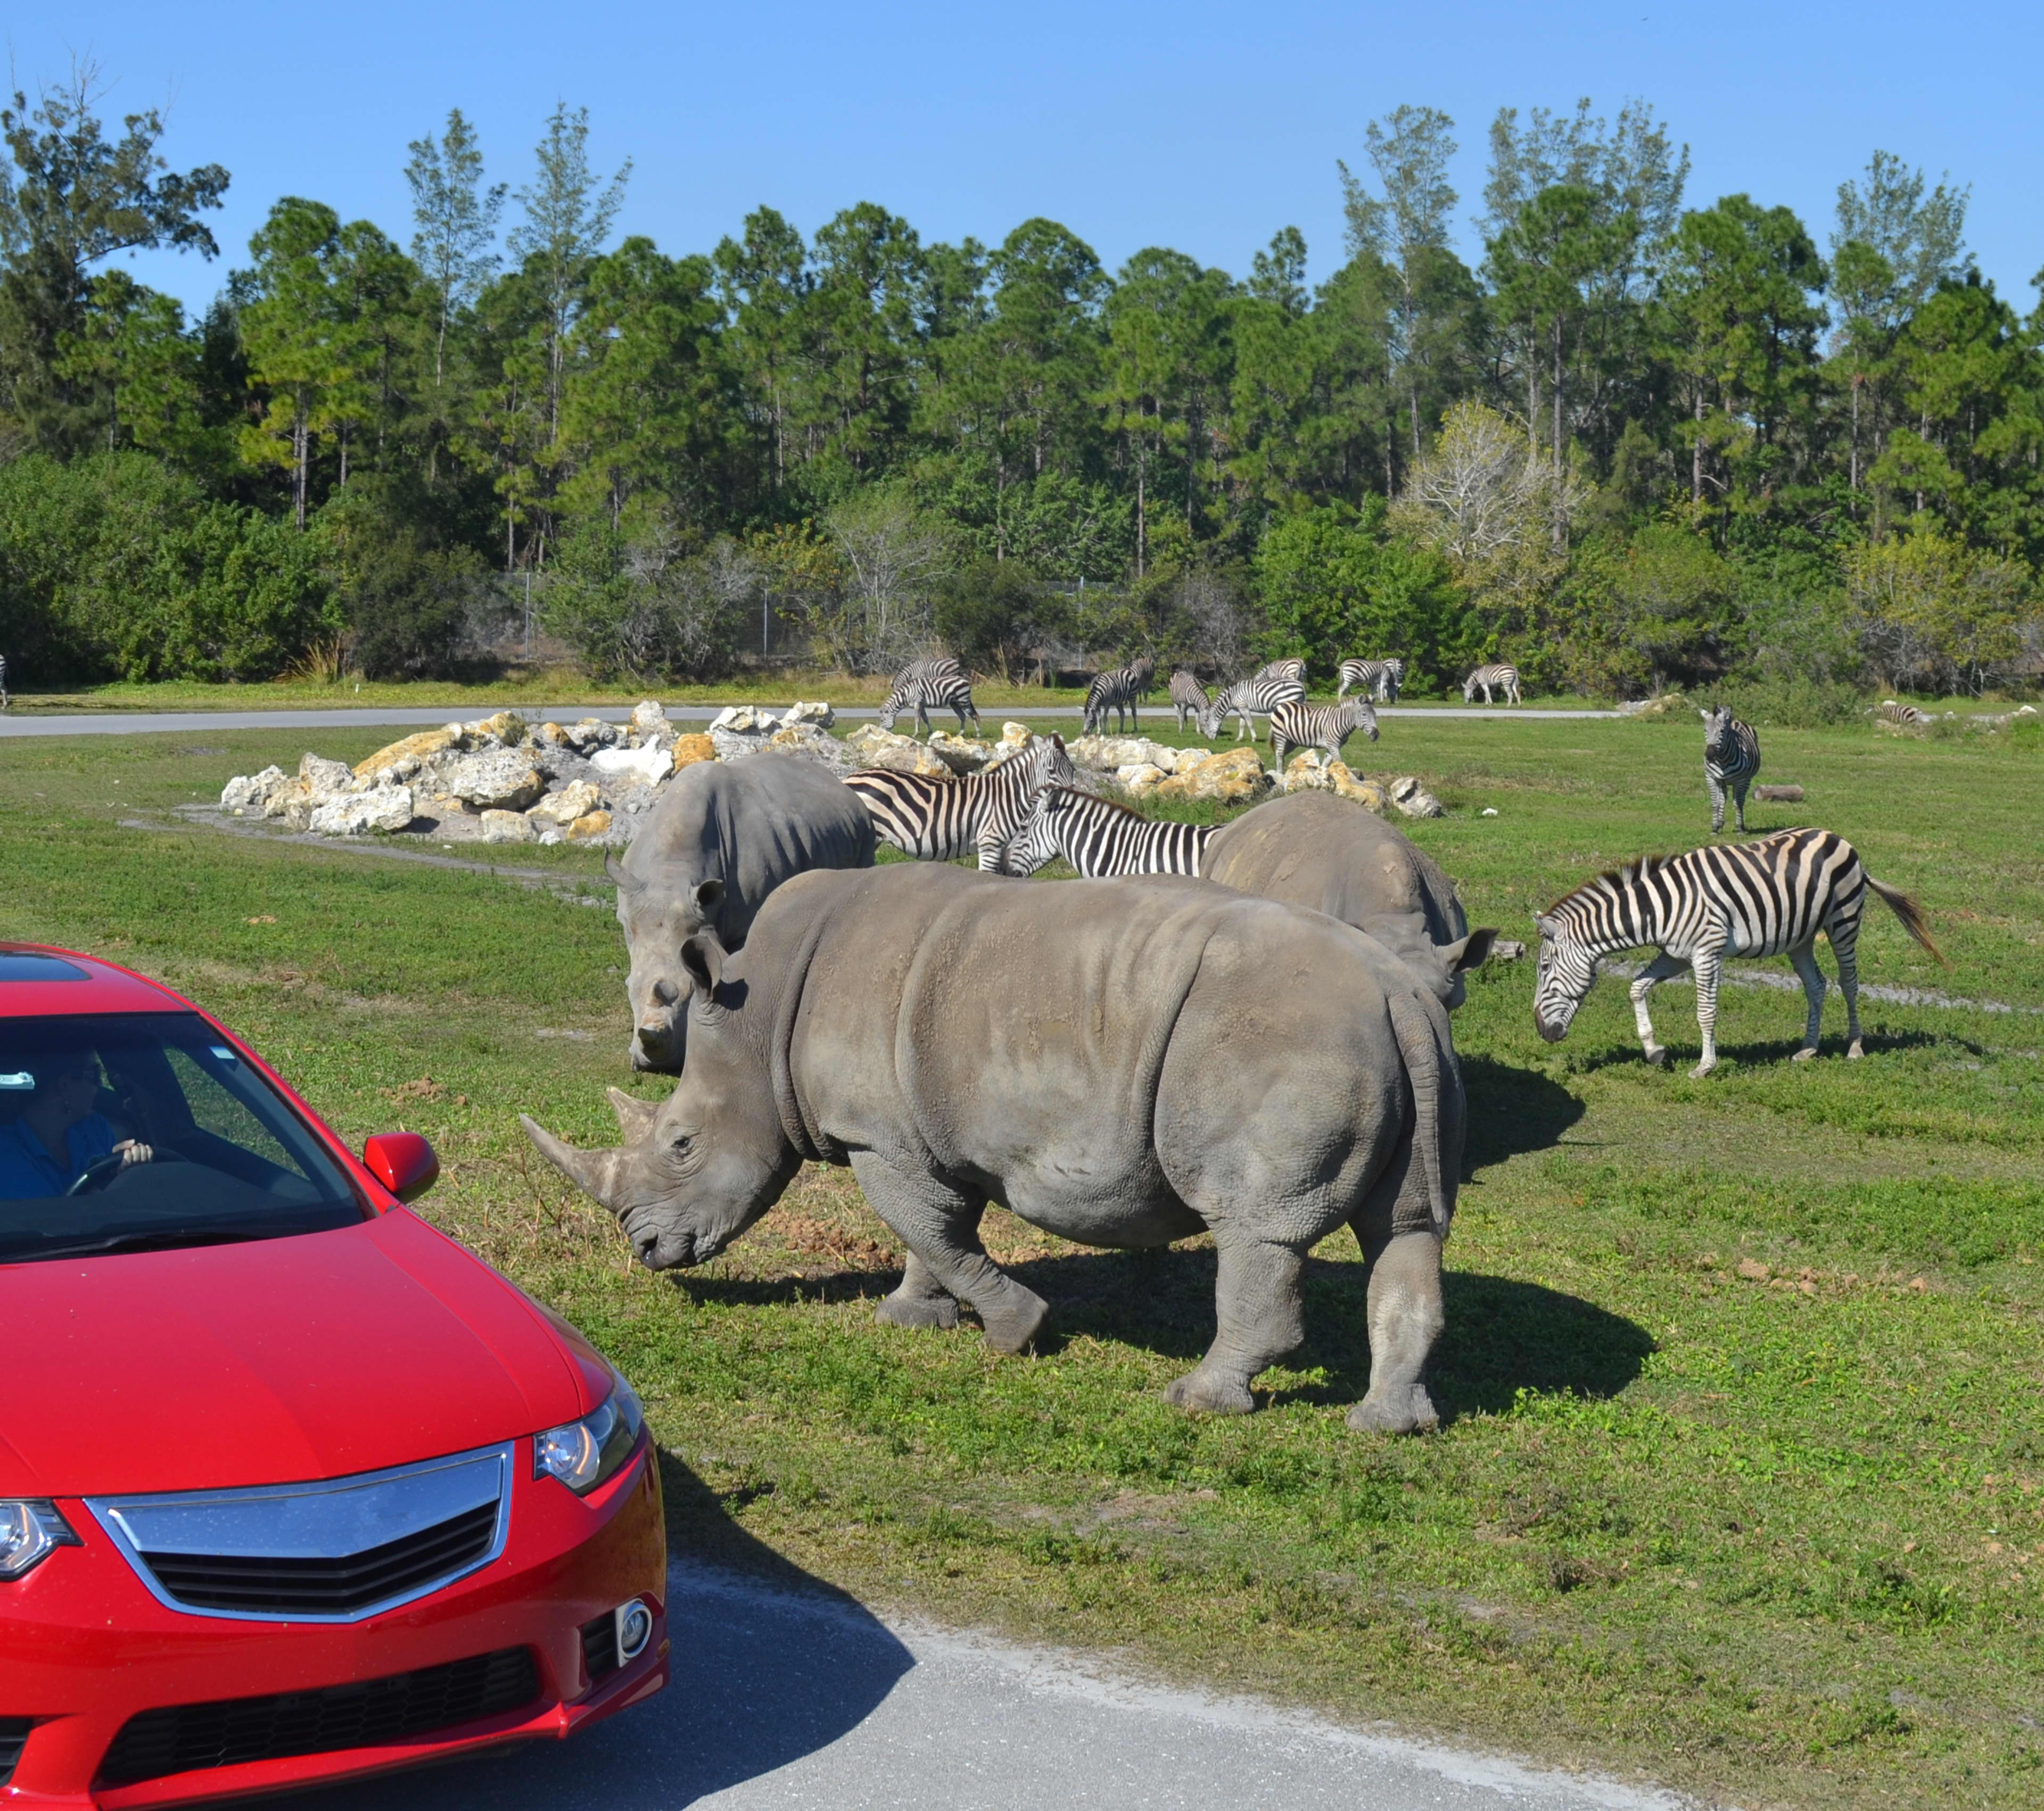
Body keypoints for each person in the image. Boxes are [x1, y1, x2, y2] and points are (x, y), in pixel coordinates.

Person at [0, 1050, 153, 1200]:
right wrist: (101, 1186)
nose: (100, 1084)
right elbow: (43, 1219)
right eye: (94, 1074)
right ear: (64, 1085)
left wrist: (123, 1170)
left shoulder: (95, 1128)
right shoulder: (7, 1153)